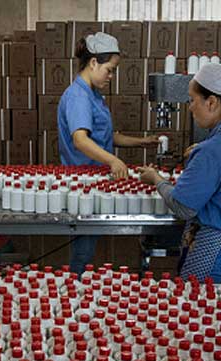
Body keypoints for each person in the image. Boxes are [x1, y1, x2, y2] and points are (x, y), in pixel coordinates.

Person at [137, 63, 221, 283]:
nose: (189, 108)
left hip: (215, 252)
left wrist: (156, 179)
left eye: (192, 100)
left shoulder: (211, 151)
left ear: (212, 102)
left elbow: (183, 207)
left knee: (203, 311)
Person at [57, 32, 160, 274]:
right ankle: (74, 290)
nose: (111, 76)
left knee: (87, 246)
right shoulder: (78, 96)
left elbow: (105, 136)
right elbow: (81, 140)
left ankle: (79, 286)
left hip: (97, 179)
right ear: (93, 63)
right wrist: (114, 160)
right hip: (83, 183)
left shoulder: (93, 95)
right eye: (109, 69)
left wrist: (141, 142)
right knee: (83, 250)